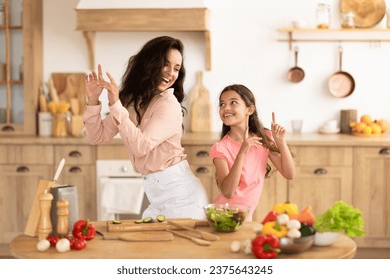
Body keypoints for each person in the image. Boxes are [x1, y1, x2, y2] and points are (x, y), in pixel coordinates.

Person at [83, 36, 208, 219]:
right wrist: (93, 100)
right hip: (159, 198)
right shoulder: (131, 101)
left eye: (176, 68)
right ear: (149, 63)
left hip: (183, 198)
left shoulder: (168, 105)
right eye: (165, 64)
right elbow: (96, 137)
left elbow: (141, 146)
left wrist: (116, 105)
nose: (171, 73)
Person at [211, 84, 295, 220]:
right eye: (222, 104)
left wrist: (281, 142)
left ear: (249, 110)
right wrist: (242, 153)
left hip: (246, 216)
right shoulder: (220, 148)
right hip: (224, 215)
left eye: (233, 103)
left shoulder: (264, 138)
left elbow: (289, 173)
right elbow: (227, 192)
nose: (225, 108)